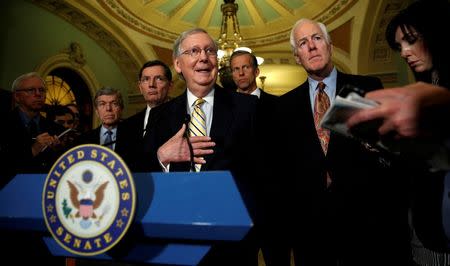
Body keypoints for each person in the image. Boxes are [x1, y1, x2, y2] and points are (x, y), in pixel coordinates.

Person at [265, 18, 411, 265]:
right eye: (303, 43)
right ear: (297, 56)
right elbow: (282, 174)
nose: (311, 46)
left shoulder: (364, 88)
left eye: (317, 38)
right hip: (310, 232)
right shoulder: (283, 107)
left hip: (363, 226)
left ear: (330, 46)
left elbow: (388, 155)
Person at [346, 0, 450, 262]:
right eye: (399, 46)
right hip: (423, 227)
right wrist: (383, 143)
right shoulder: (428, 81)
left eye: (411, 40)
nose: (404, 52)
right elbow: (428, 161)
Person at [148, 28, 260, 266]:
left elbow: (266, 174)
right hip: (176, 237)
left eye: (210, 50)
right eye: (194, 51)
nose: (203, 57)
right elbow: (139, 172)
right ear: (178, 64)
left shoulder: (249, 108)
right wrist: (161, 156)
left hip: (234, 242)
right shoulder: (159, 116)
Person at [121, 60, 173, 171]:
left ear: (170, 85)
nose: (151, 85)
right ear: (140, 87)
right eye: (146, 79)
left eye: (159, 79)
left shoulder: (183, 118)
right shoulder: (127, 126)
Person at [76, 87, 130, 162]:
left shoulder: (133, 137)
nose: (108, 108)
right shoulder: (83, 140)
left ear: (121, 109)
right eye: (102, 104)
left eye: (114, 103)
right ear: (97, 111)